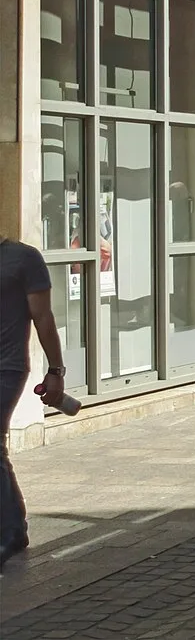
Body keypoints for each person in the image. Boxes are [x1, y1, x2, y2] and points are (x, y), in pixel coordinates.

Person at [1, 231, 64, 572]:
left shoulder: (23, 258)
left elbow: (43, 317)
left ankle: (10, 533)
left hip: (5, 368)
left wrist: (55, 370)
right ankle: (15, 527)